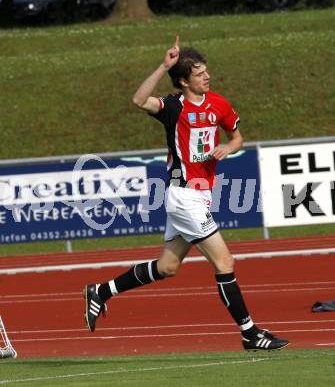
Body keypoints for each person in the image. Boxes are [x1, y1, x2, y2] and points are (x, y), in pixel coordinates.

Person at [83, 36, 289, 351]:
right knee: (224, 262)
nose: (207, 77)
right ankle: (250, 333)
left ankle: (101, 290)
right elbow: (139, 100)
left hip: (200, 194)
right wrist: (162, 65)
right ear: (183, 81)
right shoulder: (173, 107)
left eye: (207, 71)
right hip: (183, 196)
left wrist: (227, 147)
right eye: (199, 74)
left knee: (167, 267)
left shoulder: (218, 103)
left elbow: (237, 137)